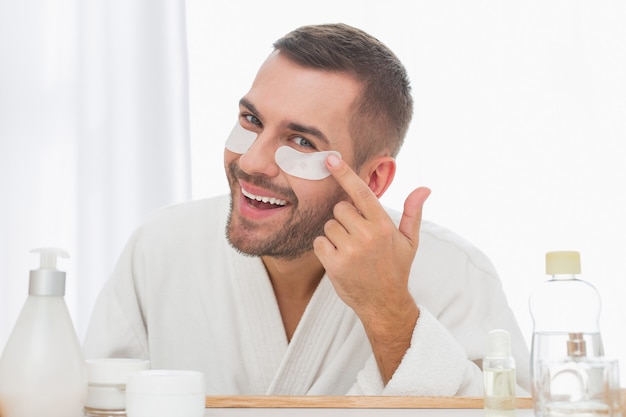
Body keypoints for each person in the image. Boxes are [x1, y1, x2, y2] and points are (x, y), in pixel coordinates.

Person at [84, 23, 530, 396]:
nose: (252, 162)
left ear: (372, 180)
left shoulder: (455, 275)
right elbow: (93, 402)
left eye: (302, 142)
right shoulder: (161, 247)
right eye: (252, 120)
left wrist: (390, 313)